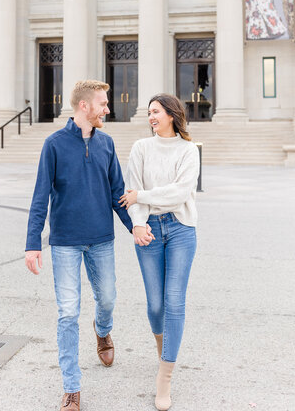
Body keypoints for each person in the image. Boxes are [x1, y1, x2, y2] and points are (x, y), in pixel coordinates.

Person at [25, 80, 151, 411]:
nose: (107, 108)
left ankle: (103, 330)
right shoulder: (53, 145)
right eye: (102, 103)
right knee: (68, 312)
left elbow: (117, 193)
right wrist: (32, 243)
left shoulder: (107, 144)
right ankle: (71, 388)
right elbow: (40, 197)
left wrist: (135, 226)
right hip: (65, 241)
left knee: (107, 298)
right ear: (85, 106)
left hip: (101, 240)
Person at [120, 94, 200, 411]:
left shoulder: (188, 150)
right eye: (149, 112)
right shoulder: (141, 148)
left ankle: (164, 378)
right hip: (149, 229)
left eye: (155, 111)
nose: (150, 116)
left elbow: (181, 192)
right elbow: (131, 192)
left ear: (171, 114)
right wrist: (138, 223)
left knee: (174, 302)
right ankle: (163, 350)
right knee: (155, 306)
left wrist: (144, 196)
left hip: (181, 229)